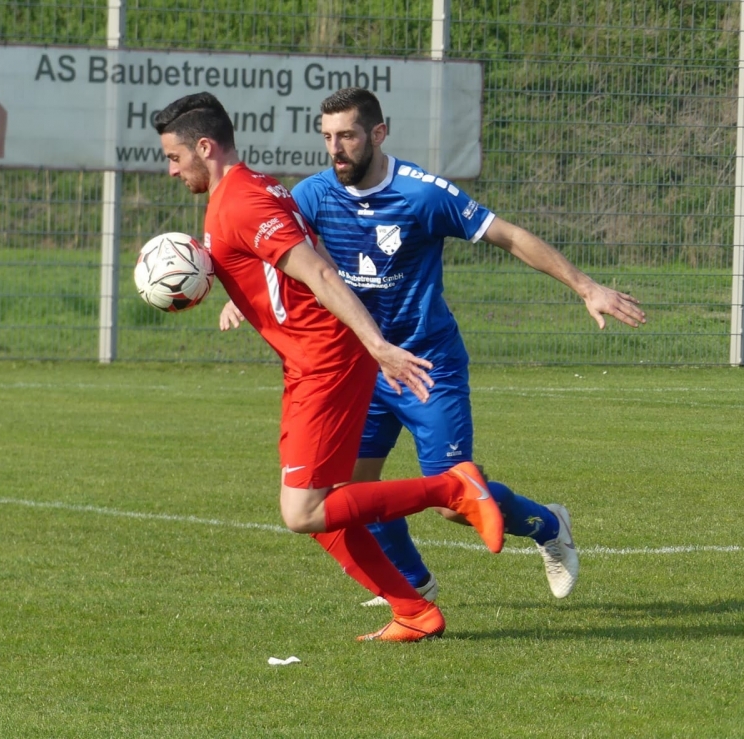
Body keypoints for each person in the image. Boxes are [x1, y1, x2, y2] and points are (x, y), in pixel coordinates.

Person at [222, 87, 646, 604]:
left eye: (348, 136)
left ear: (378, 134)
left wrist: (587, 287)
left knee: (450, 503)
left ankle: (548, 525)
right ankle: (414, 584)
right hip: (362, 368)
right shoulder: (312, 195)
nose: (336, 149)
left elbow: (507, 236)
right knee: (350, 494)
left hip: (427, 365)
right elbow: (282, 253)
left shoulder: (422, 194)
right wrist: (245, 299)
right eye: (327, 137)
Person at [153, 91, 507, 643]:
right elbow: (280, 266)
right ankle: (413, 611)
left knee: (302, 511)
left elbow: (319, 273)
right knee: (325, 501)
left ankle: (454, 490)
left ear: (204, 146)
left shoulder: (241, 201)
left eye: (175, 157)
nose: (171, 169)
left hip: (328, 361)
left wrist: (378, 345)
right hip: (307, 364)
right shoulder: (245, 191)